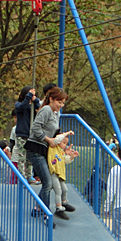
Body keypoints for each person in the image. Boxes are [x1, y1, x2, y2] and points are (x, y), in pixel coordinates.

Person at [26, 87, 72, 218]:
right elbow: (35, 127)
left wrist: (63, 147)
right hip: (36, 149)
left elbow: (55, 133)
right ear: (51, 99)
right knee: (48, 183)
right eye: (59, 102)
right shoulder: (46, 110)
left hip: (45, 150)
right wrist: (47, 139)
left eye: (63, 103)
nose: (61, 105)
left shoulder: (55, 113)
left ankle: (37, 208)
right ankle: (46, 213)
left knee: (48, 182)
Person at [47, 131, 78, 220]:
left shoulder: (61, 152)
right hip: (53, 173)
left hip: (60, 174)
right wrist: (67, 133)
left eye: (66, 143)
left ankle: (64, 202)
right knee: (58, 191)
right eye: (64, 143)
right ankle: (58, 208)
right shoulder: (53, 147)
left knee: (65, 189)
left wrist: (71, 157)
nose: (65, 145)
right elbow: (57, 139)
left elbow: (65, 161)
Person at [13, 86, 40, 179]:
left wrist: (35, 100)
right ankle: (22, 176)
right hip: (22, 134)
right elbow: (22, 107)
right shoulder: (18, 105)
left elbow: (40, 107)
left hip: (31, 135)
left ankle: (29, 176)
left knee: (30, 158)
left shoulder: (32, 107)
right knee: (22, 157)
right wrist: (28, 96)